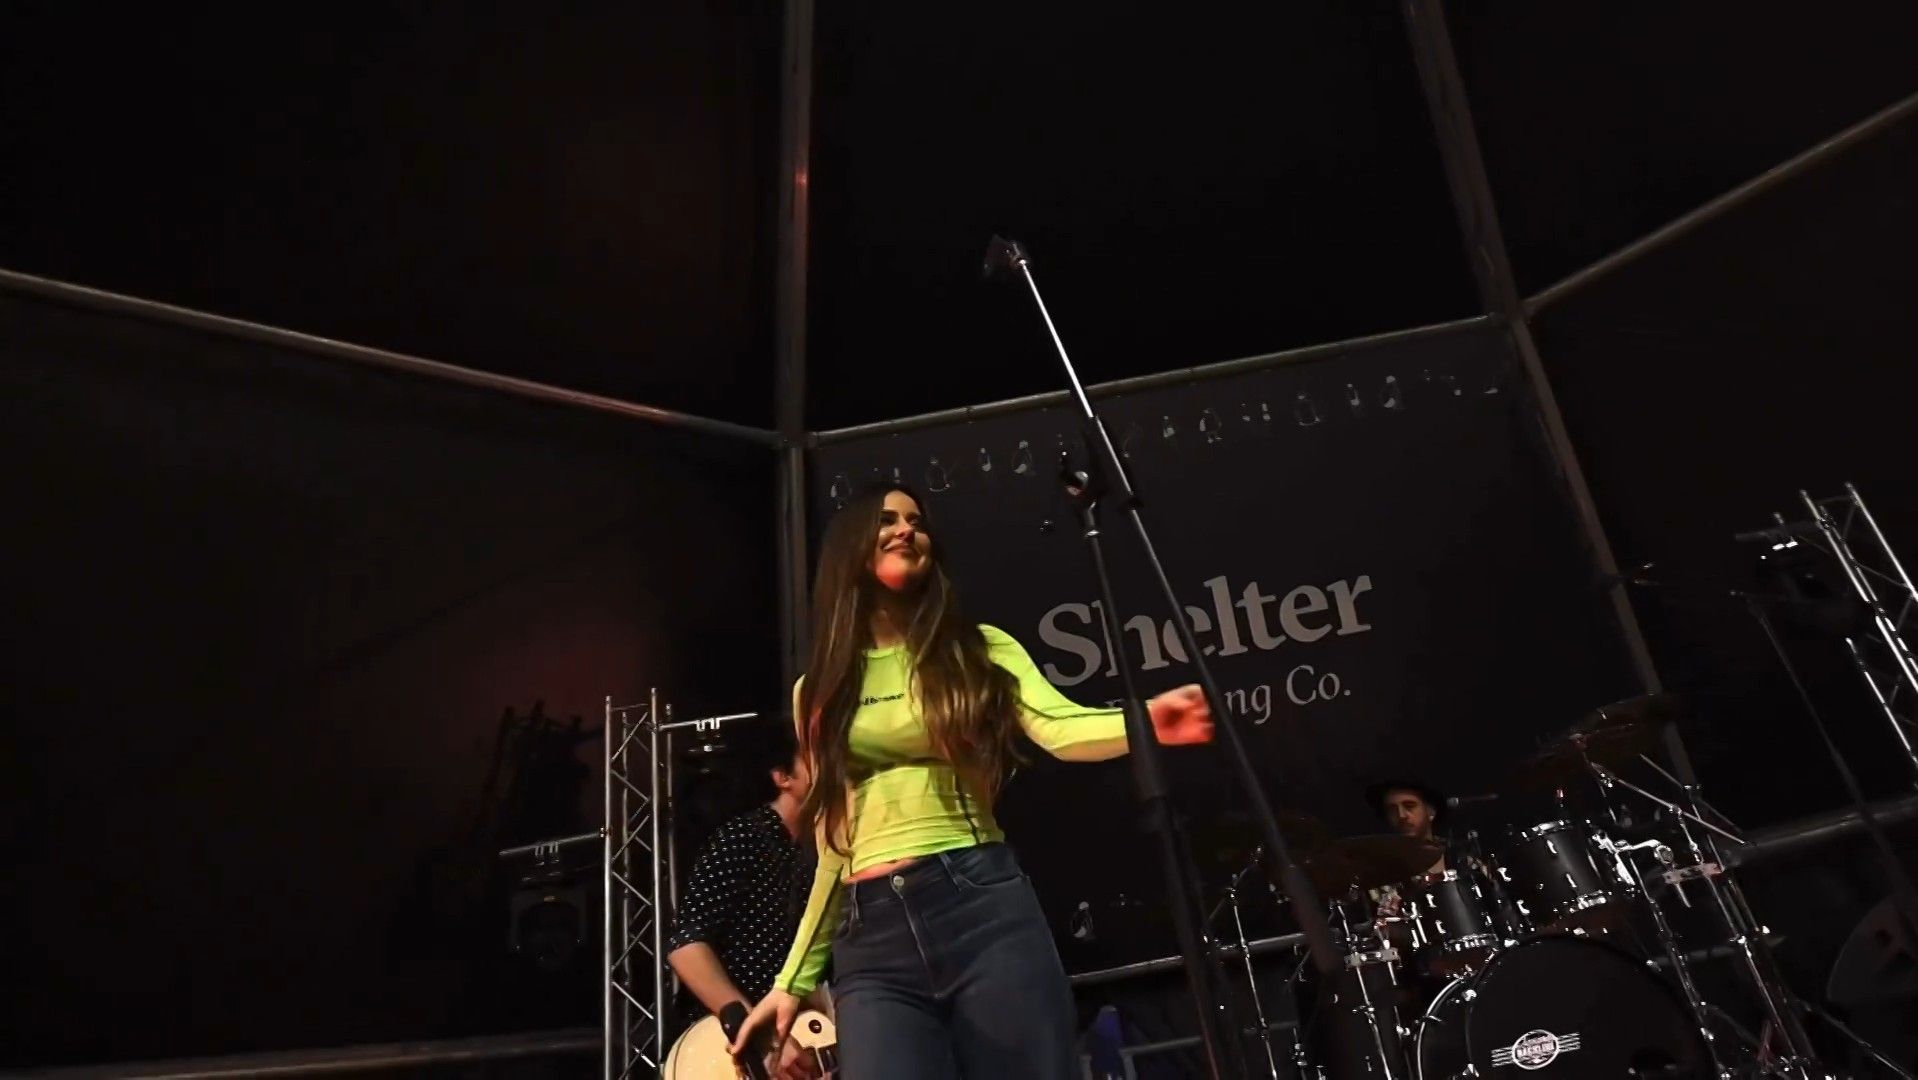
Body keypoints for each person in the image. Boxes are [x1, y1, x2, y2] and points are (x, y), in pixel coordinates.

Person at [728, 485, 1215, 1079]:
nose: (906, 530)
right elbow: (835, 840)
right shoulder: (819, 689)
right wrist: (792, 981)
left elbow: (1059, 728)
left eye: (916, 521)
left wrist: (1146, 722)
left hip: (978, 905)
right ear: (850, 547)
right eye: (887, 520)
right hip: (872, 938)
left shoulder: (976, 649)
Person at [665, 723, 821, 1079]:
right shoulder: (743, 837)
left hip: (793, 1039)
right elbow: (686, 945)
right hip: (727, 1049)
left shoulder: (818, 852)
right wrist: (758, 1033)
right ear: (783, 777)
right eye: (814, 756)